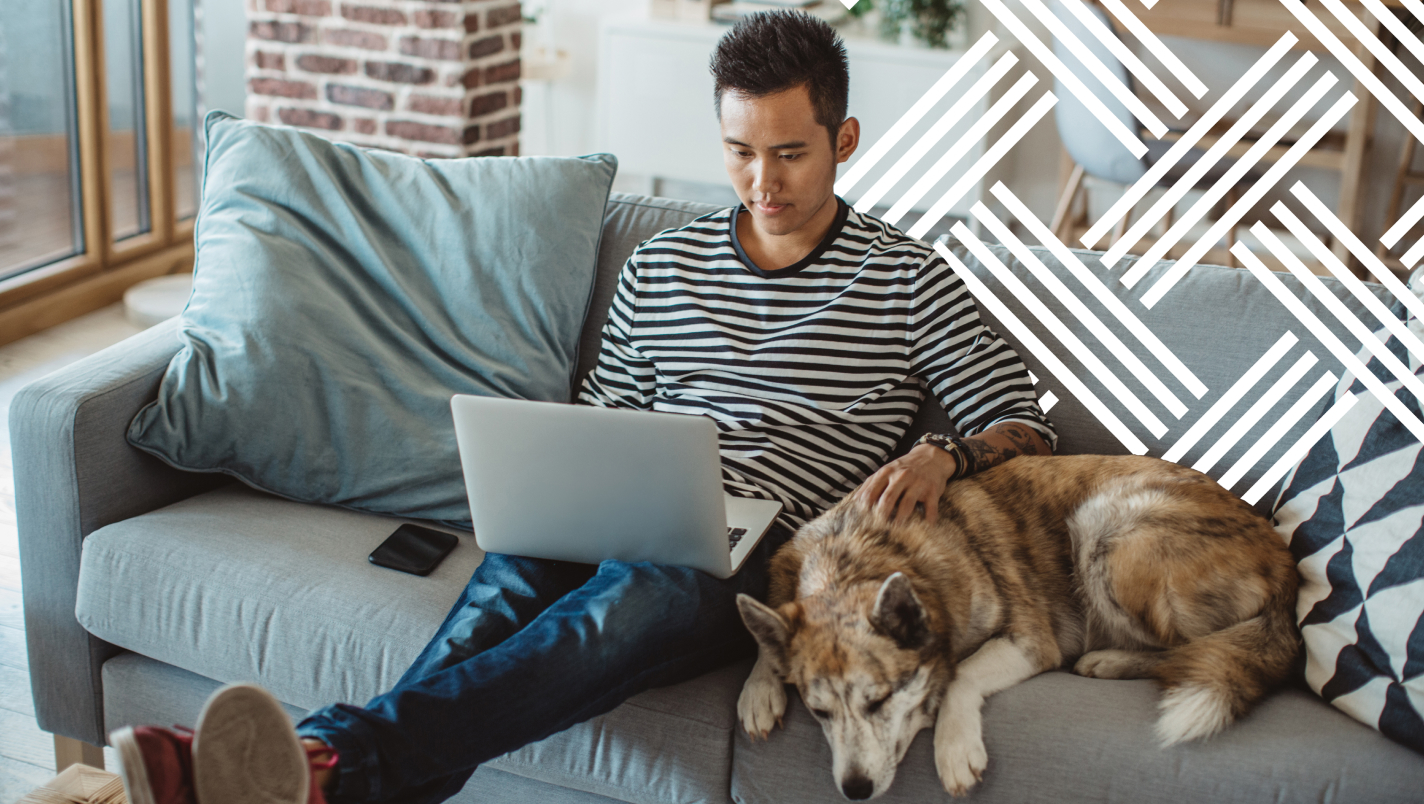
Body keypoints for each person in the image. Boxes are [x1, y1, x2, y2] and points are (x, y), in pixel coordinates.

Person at [113, 10, 1055, 804]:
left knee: (622, 606)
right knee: (504, 591)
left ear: (843, 141)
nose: (763, 182)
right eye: (739, 152)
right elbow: (605, 414)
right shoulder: (664, 263)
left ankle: (322, 758)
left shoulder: (905, 280)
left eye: (790, 154)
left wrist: (944, 453)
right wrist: (580, 473)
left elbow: (1025, 420)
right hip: (633, 504)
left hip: (773, 549)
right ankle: (321, 774)